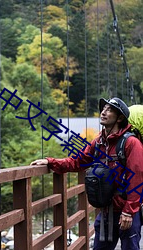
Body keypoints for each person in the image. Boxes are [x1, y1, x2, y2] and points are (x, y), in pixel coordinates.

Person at [30, 97, 143, 250]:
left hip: (126, 211)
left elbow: (137, 178)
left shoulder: (131, 143)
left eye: (109, 110)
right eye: (103, 109)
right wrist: (51, 162)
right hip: (106, 210)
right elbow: (78, 162)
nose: (103, 112)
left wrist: (129, 212)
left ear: (120, 118)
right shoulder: (98, 143)